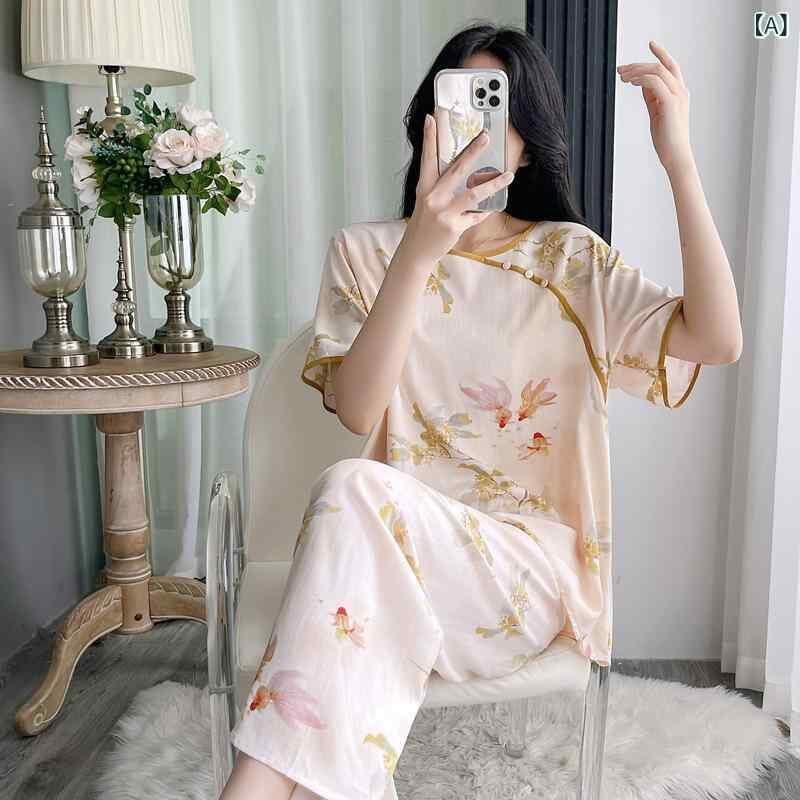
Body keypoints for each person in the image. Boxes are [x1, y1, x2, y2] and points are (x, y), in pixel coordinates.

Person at [220, 22, 742, 800]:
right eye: (460, 105)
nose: (476, 131)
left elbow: (718, 339)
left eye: (498, 111)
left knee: (349, 490)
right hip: (393, 570)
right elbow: (358, 410)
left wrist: (679, 160)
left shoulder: (570, 260)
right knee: (352, 510)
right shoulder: (366, 253)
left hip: (523, 580)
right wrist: (421, 250)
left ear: (527, 147)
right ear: (426, 124)